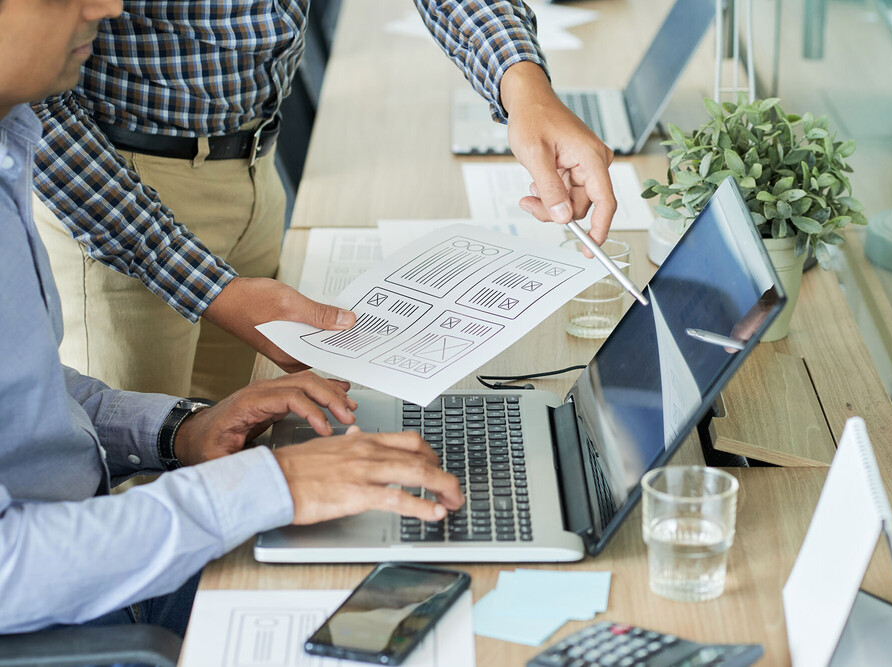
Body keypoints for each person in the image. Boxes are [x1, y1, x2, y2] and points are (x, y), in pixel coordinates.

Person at [0, 0, 463, 635]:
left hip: (106, 559)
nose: (109, 7)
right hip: (85, 619)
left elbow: (32, 406)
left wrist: (179, 431)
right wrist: (270, 486)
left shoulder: (7, 163)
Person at [31, 0, 618, 402]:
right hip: (114, 199)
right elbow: (34, 110)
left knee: (237, 449)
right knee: (140, 481)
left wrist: (526, 89)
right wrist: (214, 290)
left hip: (255, 165)